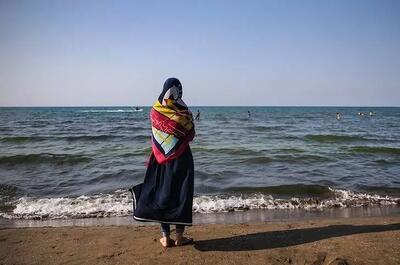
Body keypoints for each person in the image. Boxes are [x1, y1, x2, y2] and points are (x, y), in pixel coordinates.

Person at [130, 78, 195, 248]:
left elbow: (157, 133)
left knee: (162, 194)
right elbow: (191, 132)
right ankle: (180, 237)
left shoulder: (155, 111)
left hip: (158, 158)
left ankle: (166, 237)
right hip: (182, 158)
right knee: (181, 194)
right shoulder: (184, 112)